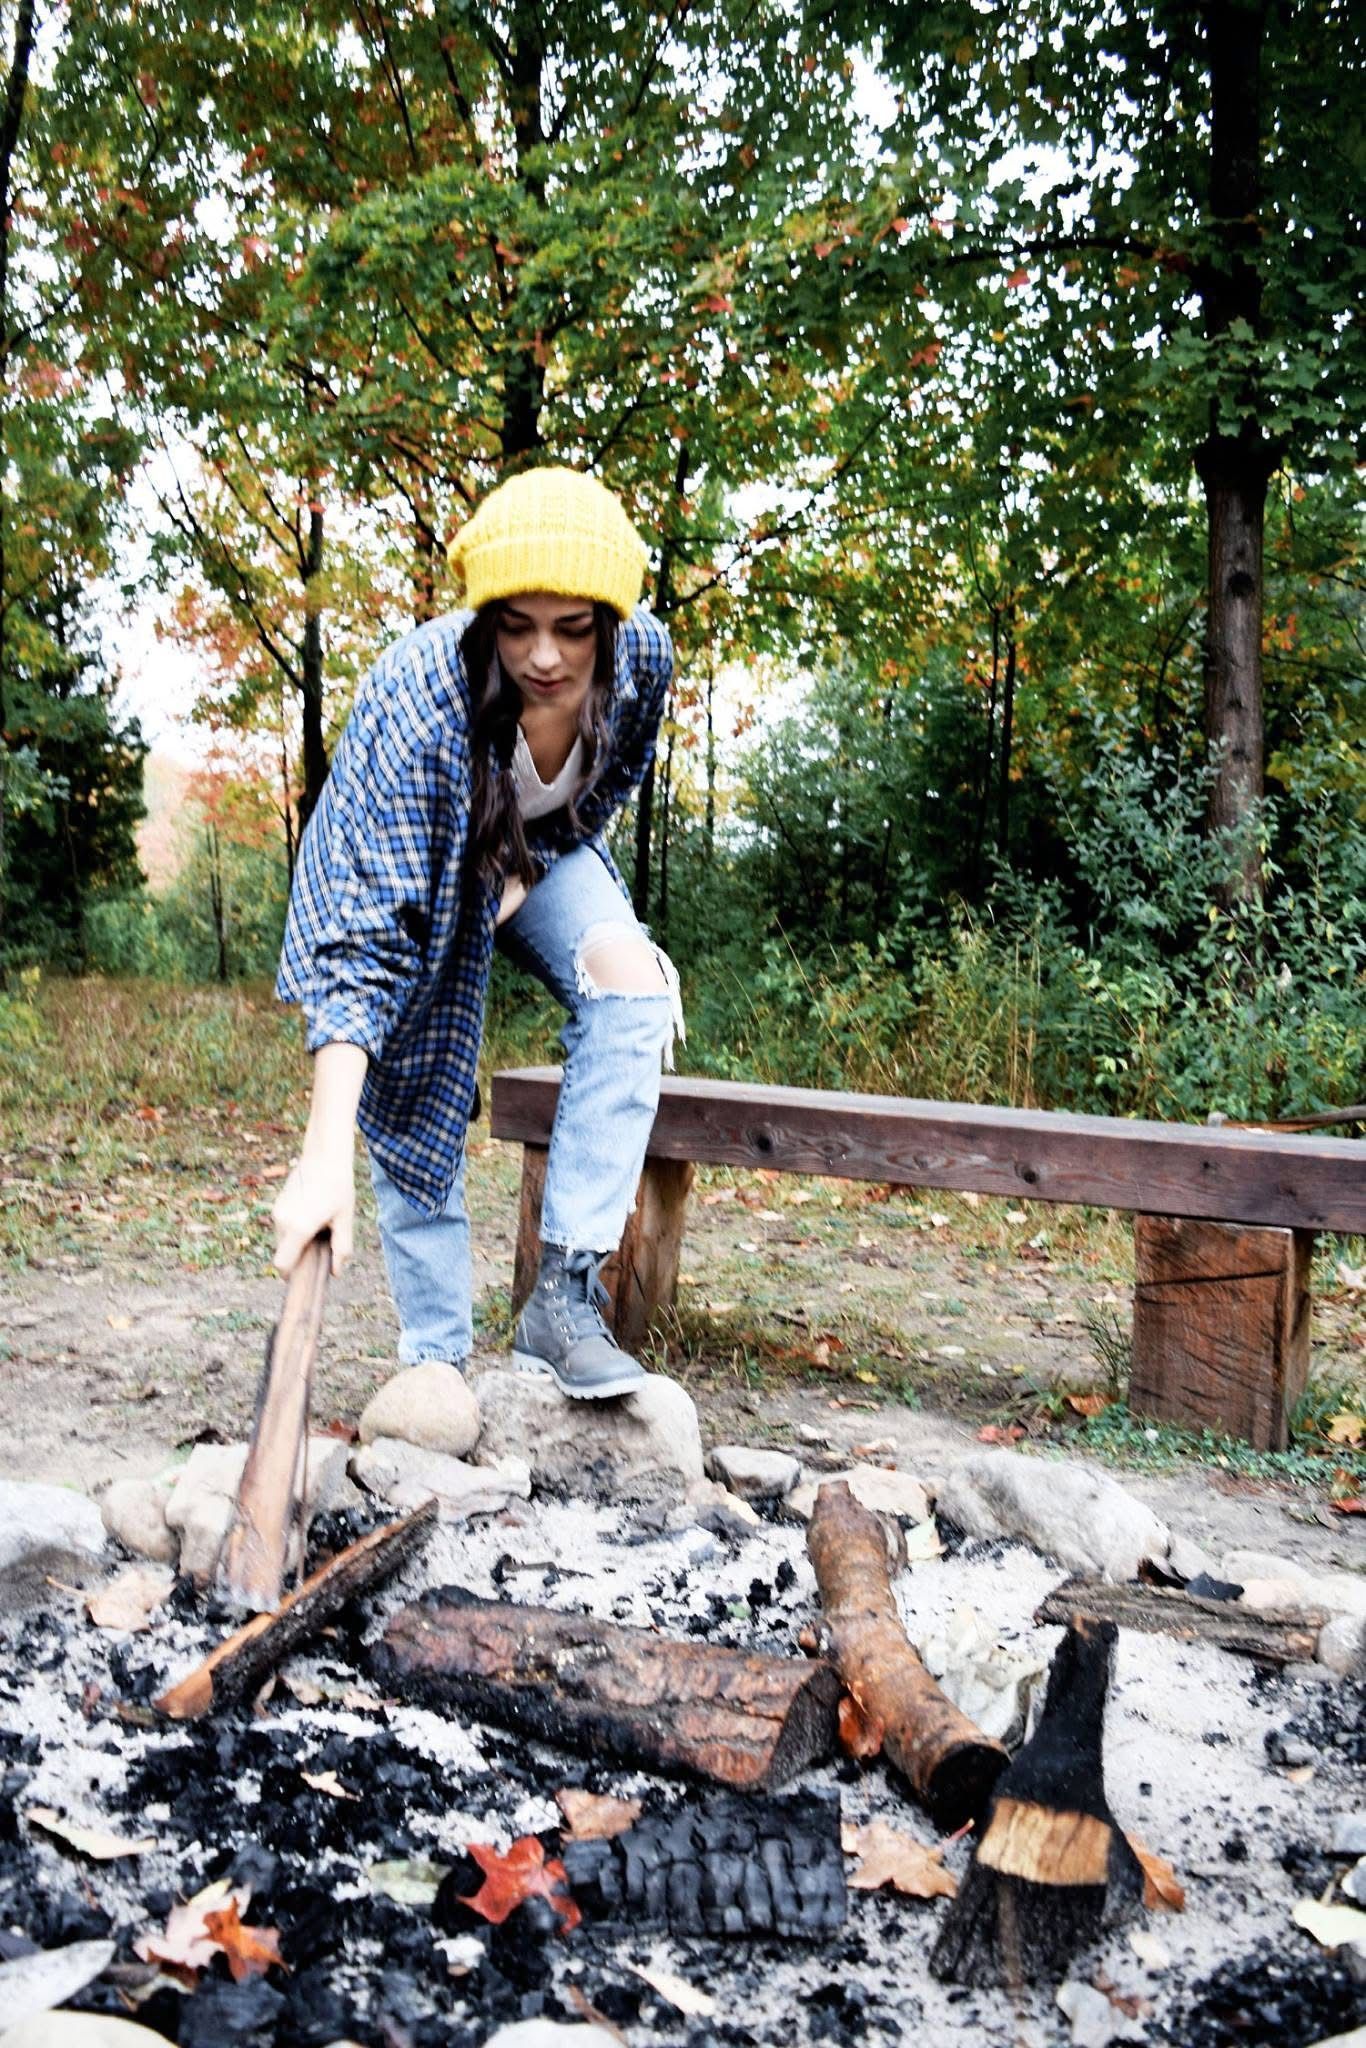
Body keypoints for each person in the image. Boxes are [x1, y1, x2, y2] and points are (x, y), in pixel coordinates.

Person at [270, 466, 683, 1401]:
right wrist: (324, 1151)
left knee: (633, 985)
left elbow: (609, 787)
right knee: (416, 1081)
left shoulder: (645, 660)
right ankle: (436, 1364)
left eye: (573, 629)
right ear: (486, 615)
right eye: (517, 625)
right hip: (408, 862)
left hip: (531, 849)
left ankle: (565, 1295)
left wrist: (527, 868)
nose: (544, 656)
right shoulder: (422, 708)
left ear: (610, 626)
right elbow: (364, 946)